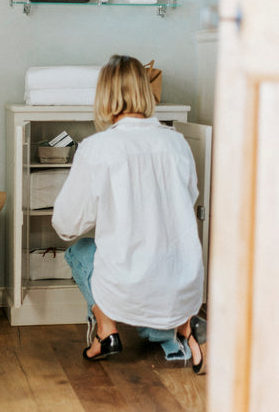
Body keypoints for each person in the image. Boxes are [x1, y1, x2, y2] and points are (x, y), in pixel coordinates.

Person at [52, 55, 207, 374]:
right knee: (155, 265)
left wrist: (107, 211)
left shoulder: (97, 148)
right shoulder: (177, 143)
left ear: (105, 96)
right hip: (182, 281)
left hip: (128, 287)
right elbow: (188, 199)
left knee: (79, 251)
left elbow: (66, 225)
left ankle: (106, 330)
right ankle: (180, 326)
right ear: (145, 92)